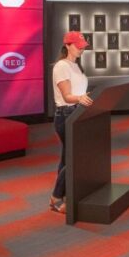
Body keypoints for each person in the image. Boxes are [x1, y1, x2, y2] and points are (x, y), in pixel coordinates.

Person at [49, 31, 93, 213]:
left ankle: (61, 199)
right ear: (67, 45)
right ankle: (57, 196)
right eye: (78, 45)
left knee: (68, 158)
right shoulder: (61, 66)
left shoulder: (77, 67)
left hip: (77, 113)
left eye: (83, 45)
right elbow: (67, 97)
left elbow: (78, 93)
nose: (81, 48)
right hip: (66, 115)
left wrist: (85, 98)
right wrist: (80, 98)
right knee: (74, 157)